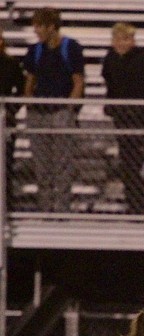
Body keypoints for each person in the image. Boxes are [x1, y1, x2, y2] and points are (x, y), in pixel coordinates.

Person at [22, 6, 84, 213]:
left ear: (51, 26)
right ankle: (46, 209)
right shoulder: (34, 51)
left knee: (62, 164)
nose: (36, 31)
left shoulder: (71, 47)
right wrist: (29, 103)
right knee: (42, 165)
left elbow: (78, 81)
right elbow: (30, 81)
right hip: (39, 113)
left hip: (60, 112)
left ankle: (62, 210)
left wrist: (69, 107)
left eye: (40, 26)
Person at [102, 23, 144, 214]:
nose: (122, 43)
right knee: (126, 162)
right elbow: (111, 88)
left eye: (126, 39)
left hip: (143, 121)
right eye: (118, 39)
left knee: (141, 164)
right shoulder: (110, 60)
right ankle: (132, 201)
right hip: (122, 121)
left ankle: (138, 201)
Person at [0, 36, 24, 196]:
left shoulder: (11, 63)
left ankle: (5, 201)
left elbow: (22, 88)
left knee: (5, 163)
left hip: (4, 117)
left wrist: (11, 109)